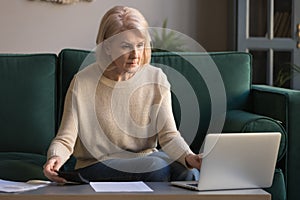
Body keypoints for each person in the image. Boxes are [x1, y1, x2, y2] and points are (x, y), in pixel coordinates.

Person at [43, 5, 202, 183]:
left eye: (140, 45)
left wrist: (189, 157)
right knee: (157, 169)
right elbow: (66, 138)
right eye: (126, 46)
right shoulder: (82, 82)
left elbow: (169, 135)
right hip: (96, 164)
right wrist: (54, 158)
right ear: (108, 46)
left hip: (148, 159)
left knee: (189, 174)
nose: (136, 55)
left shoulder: (156, 78)